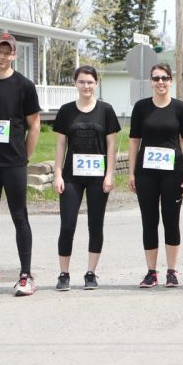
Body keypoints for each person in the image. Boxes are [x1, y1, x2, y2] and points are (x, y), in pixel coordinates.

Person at [52, 65, 121, 291]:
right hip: (72, 177)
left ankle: (91, 273)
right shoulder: (66, 111)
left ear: (96, 84)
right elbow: (60, 145)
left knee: (95, 225)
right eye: (81, 81)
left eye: (90, 82)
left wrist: (109, 174)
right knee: (67, 225)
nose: (86, 86)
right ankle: (64, 274)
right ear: (75, 83)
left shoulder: (106, 110)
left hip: (97, 178)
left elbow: (111, 145)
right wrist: (57, 174)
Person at [128, 63, 183, 288]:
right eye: (156, 78)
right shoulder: (141, 107)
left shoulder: (180, 108)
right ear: (150, 82)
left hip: (173, 174)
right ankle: (151, 272)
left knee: (171, 220)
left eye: (164, 78)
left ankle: (172, 271)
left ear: (171, 81)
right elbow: (134, 141)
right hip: (146, 174)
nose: (160, 82)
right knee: (149, 221)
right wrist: (131, 172)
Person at [0, 31, 41, 296]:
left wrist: (25, 157)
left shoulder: (24, 86)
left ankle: (25, 276)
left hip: (14, 164)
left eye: (7, 52)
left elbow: (34, 125)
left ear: (14, 55)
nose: (2, 56)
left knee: (20, 217)